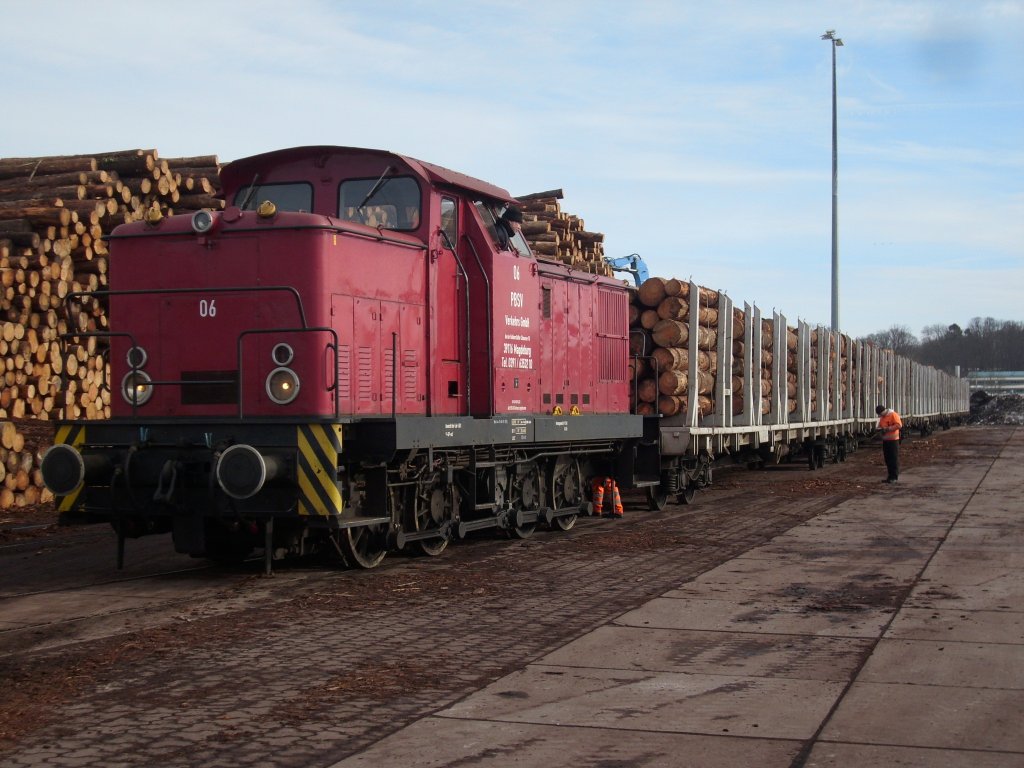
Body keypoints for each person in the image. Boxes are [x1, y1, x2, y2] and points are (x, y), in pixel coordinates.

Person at [876, 404, 903, 483]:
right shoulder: (882, 417)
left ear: (884, 411)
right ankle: (890, 476)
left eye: (880, 414)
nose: (880, 416)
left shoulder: (893, 415)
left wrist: (888, 429)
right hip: (886, 440)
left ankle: (894, 477)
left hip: (893, 440)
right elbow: (880, 425)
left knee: (893, 459)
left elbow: (899, 425)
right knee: (887, 459)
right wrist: (880, 430)